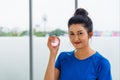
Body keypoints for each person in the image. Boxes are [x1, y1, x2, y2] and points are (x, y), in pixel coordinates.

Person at [44, 8, 112, 80]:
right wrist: (53, 53)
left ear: (90, 34)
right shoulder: (63, 58)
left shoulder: (101, 63)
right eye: (72, 34)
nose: (75, 38)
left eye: (80, 33)